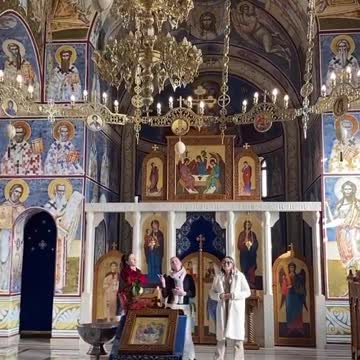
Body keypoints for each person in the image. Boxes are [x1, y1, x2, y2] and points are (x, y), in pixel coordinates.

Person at [44, 179, 83, 293]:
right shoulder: (50, 204)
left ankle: (58, 286)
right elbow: (46, 216)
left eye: (63, 191)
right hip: (51, 237)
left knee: (60, 262)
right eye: (59, 191)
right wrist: (56, 216)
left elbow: (71, 218)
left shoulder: (67, 205)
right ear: (55, 191)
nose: (61, 193)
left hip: (61, 238)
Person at [209, 256, 251, 360]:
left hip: (235, 310)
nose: (226, 264)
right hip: (223, 308)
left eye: (229, 262)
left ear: (232, 264)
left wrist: (234, 295)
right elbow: (211, 292)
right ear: (221, 265)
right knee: (221, 339)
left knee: (238, 339)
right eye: (224, 262)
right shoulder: (218, 277)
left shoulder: (240, 276)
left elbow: (247, 292)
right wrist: (219, 296)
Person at [159, 256, 196, 360]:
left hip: (184, 307)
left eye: (176, 261)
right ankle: (174, 356)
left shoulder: (188, 277)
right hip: (172, 307)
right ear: (171, 265)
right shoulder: (168, 277)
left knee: (186, 333)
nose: (174, 263)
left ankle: (189, 357)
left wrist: (183, 293)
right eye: (172, 262)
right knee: (172, 333)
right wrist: (163, 284)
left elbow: (193, 293)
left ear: (180, 263)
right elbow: (165, 295)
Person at [0, 181, 28, 291]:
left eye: (20, 193)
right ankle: (3, 284)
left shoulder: (21, 208)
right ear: (11, 191)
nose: (17, 194)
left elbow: (25, 222)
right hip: (5, 234)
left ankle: (13, 285)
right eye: (16, 191)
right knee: (4, 258)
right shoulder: (3, 206)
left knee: (15, 260)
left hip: (17, 236)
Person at [325, 180, 360, 265]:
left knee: (355, 249)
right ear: (342, 190)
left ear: (353, 190)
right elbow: (333, 219)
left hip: (354, 231)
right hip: (342, 232)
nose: (347, 191)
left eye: (349, 189)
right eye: (345, 189)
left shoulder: (357, 204)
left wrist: (354, 224)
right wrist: (326, 206)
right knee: (344, 253)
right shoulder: (339, 204)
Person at [279, 262, 307, 335]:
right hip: (289, 295)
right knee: (289, 311)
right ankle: (290, 327)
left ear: (294, 268)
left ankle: (299, 327)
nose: (291, 268)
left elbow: (301, 284)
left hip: (297, 296)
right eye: (290, 267)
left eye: (293, 267)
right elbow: (284, 286)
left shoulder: (298, 276)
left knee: (297, 311)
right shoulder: (286, 276)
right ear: (288, 268)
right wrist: (284, 281)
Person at [237, 220, 258, 288]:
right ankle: (245, 284)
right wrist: (244, 243)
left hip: (251, 254)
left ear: (250, 225)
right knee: (244, 269)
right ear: (244, 225)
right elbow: (239, 245)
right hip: (244, 254)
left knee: (251, 269)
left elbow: (256, 244)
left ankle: (251, 283)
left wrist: (251, 245)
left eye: (249, 224)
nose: (247, 225)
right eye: (246, 224)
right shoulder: (242, 234)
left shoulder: (252, 234)